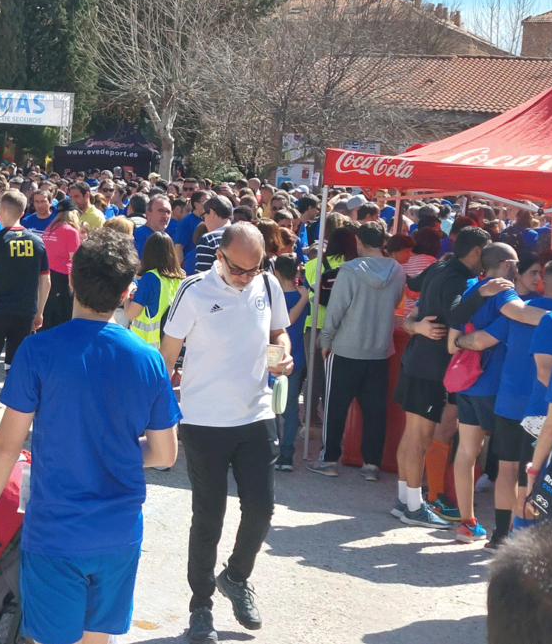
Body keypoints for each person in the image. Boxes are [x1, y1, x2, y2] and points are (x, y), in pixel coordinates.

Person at [0, 229, 180, 644]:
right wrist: (109, 451)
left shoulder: (38, 350)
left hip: (55, 531)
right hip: (119, 531)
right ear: (127, 291)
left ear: (72, 279)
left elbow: (7, 446)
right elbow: (164, 452)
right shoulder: (149, 359)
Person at [161, 223, 293, 644]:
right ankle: (201, 606)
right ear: (220, 256)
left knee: (261, 509)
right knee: (208, 517)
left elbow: (278, 332)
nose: (247, 278)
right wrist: (155, 417)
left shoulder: (267, 284)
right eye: (239, 270)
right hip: (203, 421)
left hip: (255, 415)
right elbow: (165, 356)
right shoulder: (194, 290)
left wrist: (284, 354)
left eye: (254, 269)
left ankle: (236, 576)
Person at [453, 261, 552, 551]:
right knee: (537, 475)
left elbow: (481, 340)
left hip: (509, 402)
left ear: (543, 283)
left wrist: (457, 343)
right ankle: (526, 540)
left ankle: (501, 536)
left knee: (508, 470)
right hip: (544, 407)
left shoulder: (518, 310)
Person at [394, 226, 492, 528]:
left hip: (415, 359)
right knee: (420, 439)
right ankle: (413, 506)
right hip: (431, 366)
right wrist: (482, 294)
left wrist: (415, 323)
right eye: (485, 251)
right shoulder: (458, 278)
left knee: (412, 435)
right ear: (475, 252)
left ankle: (405, 501)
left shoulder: (439, 265)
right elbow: (455, 314)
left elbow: (413, 285)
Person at [309, 222, 405, 481]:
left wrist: (325, 338)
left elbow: (336, 310)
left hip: (345, 348)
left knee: (334, 408)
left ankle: (329, 460)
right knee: (375, 412)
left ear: (359, 242)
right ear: (383, 242)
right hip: (380, 350)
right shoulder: (397, 270)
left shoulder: (349, 270)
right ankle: (372, 464)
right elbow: (395, 302)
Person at [0, 190, 49, 427]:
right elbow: (45, 280)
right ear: (24, 212)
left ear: (2, 211)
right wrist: (39, 312)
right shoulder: (37, 242)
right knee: (16, 370)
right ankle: (15, 422)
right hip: (25, 313)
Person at [274, 253, 310, 471]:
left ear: (276, 272)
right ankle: (286, 455)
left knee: (270, 409)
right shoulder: (301, 296)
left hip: (272, 357)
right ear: (297, 271)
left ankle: (273, 451)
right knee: (289, 410)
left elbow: (284, 321)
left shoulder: (273, 296)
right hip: (295, 358)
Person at [125, 231, 184, 351]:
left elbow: (131, 314)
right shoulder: (178, 277)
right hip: (168, 345)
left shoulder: (150, 278)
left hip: (145, 346)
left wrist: (127, 292)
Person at [40, 198, 83, 330]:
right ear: (73, 214)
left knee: (48, 318)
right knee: (63, 320)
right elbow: (75, 260)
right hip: (63, 278)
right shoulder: (71, 231)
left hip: (46, 276)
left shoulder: (49, 229)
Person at [192, 195, 233, 273]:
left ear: (212, 213)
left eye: (204, 217)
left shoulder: (208, 239)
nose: (204, 221)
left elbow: (203, 277)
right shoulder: (246, 235)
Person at [133, 195, 172, 260]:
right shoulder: (138, 235)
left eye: (168, 212)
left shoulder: (166, 237)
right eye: (161, 211)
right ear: (148, 214)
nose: (165, 216)